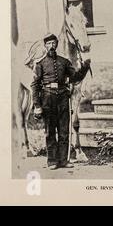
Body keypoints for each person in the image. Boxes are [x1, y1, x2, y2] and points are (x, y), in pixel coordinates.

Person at [31, 33, 91, 170]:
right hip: (47, 99)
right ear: (45, 46)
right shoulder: (40, 64)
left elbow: (75, 77)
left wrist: (85, 67)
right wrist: (37, 106)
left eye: (53, 43)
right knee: (50, 132)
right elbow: (34, 86)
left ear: (56, 44)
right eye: (48, 44)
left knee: (64, 131)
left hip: (63, 98)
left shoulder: (64, 62)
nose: (51, 46)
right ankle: (52, 161)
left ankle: (64, 160)